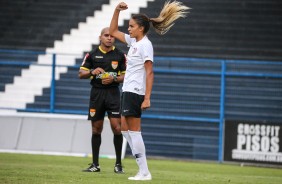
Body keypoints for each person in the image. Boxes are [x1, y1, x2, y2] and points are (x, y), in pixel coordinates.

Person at [109, 0, 189, 181]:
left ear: (141, 29)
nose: (128, 29)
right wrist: (116, 11)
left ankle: (144, 172)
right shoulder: (134, 42)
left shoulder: (145, 45)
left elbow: (150, 72)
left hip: (135, 91)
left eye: (131, 26)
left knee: (135, 131)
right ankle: (142, 169)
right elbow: (113, 31)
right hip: (127, 89)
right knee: (123, 128)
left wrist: (147, 98)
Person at [78, 27, 127, 173]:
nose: (109, 38)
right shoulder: (92, 54)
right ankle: (95, 165)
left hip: (113, 93)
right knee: (96, 129)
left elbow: (126, 75)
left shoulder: (120, 55)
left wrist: (115, 78)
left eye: (112, 36)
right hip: (97, 94)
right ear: (101, 37)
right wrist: (92, 71)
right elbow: (81, 73)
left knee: (117, 127)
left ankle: (118, 164)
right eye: (106, 35)